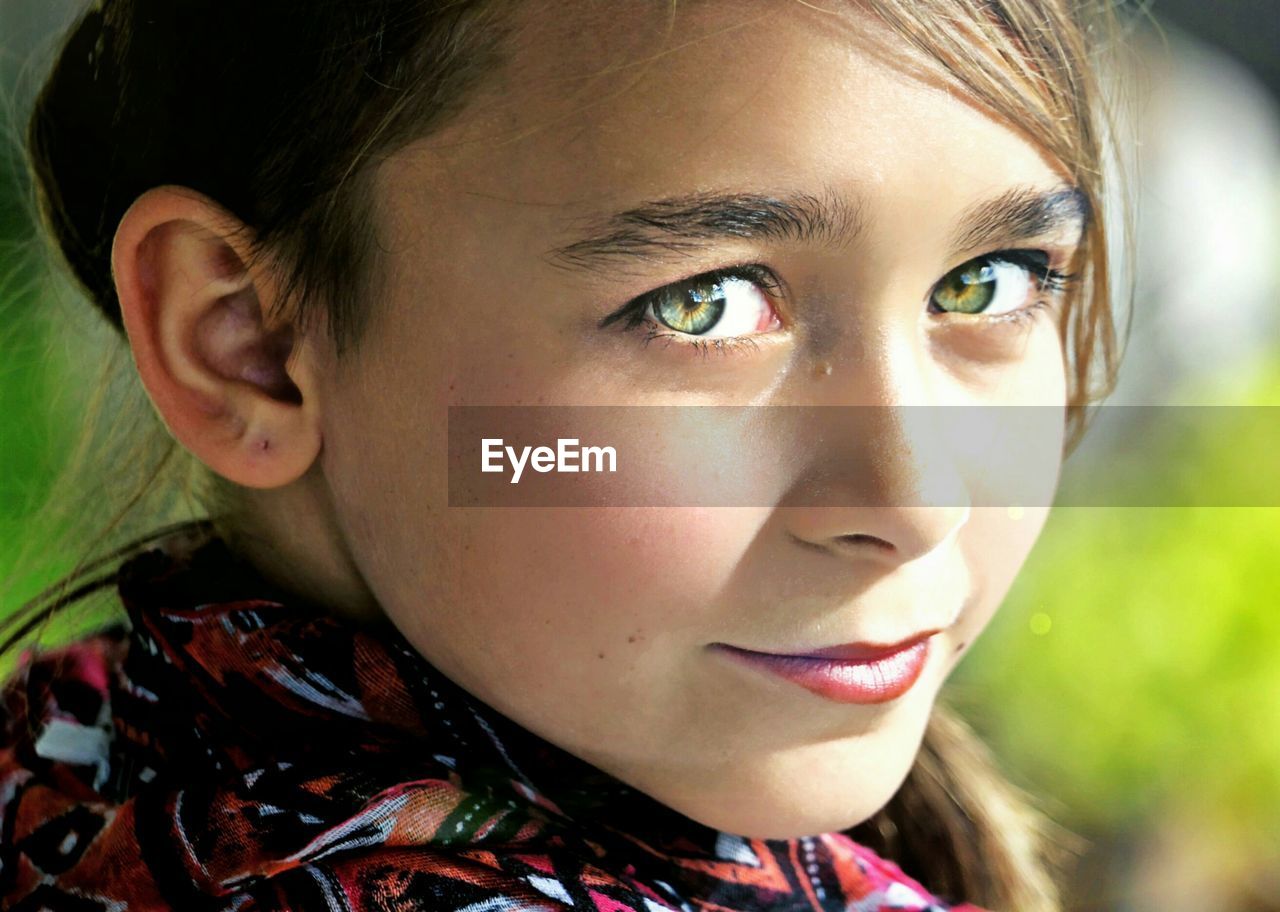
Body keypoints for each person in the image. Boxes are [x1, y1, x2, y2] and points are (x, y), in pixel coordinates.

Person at [0, 1, 1125, 909]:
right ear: (247, 346)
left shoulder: (61, 760)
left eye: (991, 282)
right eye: (705, 306)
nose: (918, 501)